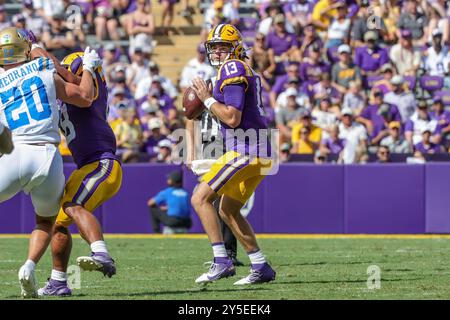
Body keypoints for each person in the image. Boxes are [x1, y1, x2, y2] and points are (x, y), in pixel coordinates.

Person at [0, 28, 100, 298]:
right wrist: (88, 67)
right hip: (47, 155)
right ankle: (29, 266)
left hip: (12, 153)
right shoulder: (43, 67)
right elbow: (85, 97)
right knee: (48, 222)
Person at [190, 24, 276, 285]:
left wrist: (205, 99)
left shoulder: (233, 68)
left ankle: (221, 261)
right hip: (259, 151)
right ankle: (261, 266)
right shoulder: (235, 69)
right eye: (214, 46)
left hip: (247, 149)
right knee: (228, 210)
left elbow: (232, 116)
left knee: (200, 198)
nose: (217, 51)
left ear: (236, 47)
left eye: (223, 46)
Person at [37, 51, 122, 296]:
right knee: (59, 223)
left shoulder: (88, 91)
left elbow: (80, 87)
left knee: (74, 205)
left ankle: (101, 253)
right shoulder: (69, 96)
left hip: (101, 163)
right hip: (86, 166)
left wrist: (86, 68)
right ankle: (59, 282)